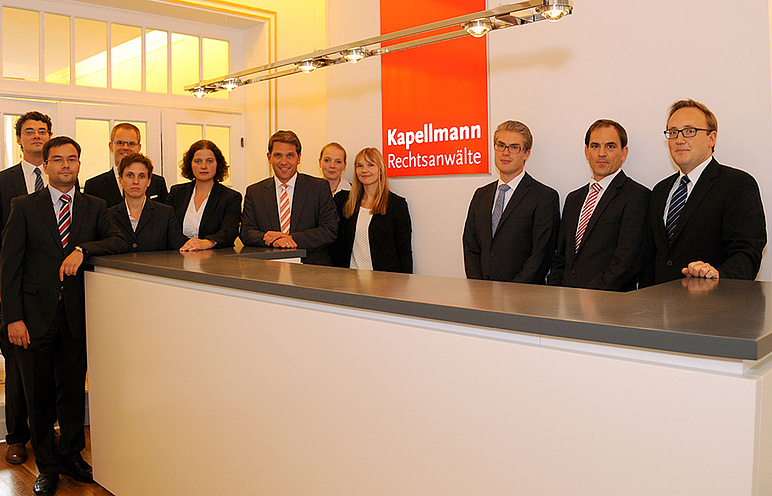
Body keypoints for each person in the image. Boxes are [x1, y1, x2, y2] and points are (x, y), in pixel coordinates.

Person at [0, 136, 126, 496]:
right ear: (46, 166)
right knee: (38, 397)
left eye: (71, 159)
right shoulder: (24, 206)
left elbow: (118, 239)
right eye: (57, 159)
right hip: (32, 319)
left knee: (71, 393)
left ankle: (72, 456)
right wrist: (13, 318)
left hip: (76, 318)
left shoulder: (95, 206)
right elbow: (9, 266)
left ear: (79, 165)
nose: (65, 165)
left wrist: (82, 249)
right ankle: (48, 467)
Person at [641, 99, 766, 285]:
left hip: (712, 299)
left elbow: (747, 253)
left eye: (690, 131)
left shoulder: (737, 184)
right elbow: (651, 258)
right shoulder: (660, 190)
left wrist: (717, 275)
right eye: (673, 132)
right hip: (659, 301)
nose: (679, 140)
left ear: (711, 138)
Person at [0, 111, 52, 465]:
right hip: (13, 291)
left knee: (49, 368)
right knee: (18, 369)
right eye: (30, 131)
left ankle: (48, 432)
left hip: (52, 292)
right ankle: (17, 437)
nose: (37, 136)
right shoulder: (3, 182)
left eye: (42, 131)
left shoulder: (63, 178)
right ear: (18, 138)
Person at [548, 120, 650, 291]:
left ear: (623, 153)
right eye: (595, 146)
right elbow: (561, 257)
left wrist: (590, 296)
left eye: (610, 146)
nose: (601, 153)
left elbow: (627, 261)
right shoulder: (573, 199)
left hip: (609, 301)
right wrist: (554, 292)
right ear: (586, 152)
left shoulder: (636, 196)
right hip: (567, 299)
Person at [463, 120, 559, 283]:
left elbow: (541, 255)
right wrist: (480, 288)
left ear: (526, 153)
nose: (506, 153)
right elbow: (470, 246)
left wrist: (513, 291)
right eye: (501, 145)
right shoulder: (481, 195)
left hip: (524, 294)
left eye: (514, 147)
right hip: (483, 293)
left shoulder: (544, 197)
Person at [240, 130, 338, 265]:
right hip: (268, 270)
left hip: (311, 268)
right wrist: (272, 239)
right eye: (278, 155)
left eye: (290, 155)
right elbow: (246, 232)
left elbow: (329, 229)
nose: (284, 162)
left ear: (299, 158)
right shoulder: (254, 192)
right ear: (269, 157)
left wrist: (289, 238)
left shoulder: (319, 188)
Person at [332, 147, 412, 273]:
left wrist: (405, 281)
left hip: (384, 281)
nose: (364, 170)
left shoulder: (396, 205)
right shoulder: (343, 201)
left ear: (380, 169)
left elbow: (404, 250)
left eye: (370, 165)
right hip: (349, 280)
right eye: (360, 166)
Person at [166, 140, 242, 251]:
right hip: (179, 254)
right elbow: (167, 228)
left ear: (218, 164)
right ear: (190, 164)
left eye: (209, 161)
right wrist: (189, 245)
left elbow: (228, 233)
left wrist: (207, 243)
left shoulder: (231, 197)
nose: (203, 166)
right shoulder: (176, 193)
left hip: (216, 258)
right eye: (198, 161)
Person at [109, 153, 187, 252]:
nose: (135, 181)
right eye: (130, 175)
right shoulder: (109, 216)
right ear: (120, 180)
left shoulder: (165, 214)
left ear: (149, 181)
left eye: (141, 176)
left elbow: (178, 250)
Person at [83, 123, 168, 207]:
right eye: (120, 143)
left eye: (131, 144)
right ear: (111, 146)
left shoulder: (157, 183)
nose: (125, 147)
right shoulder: (94, 186)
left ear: (139, 147)